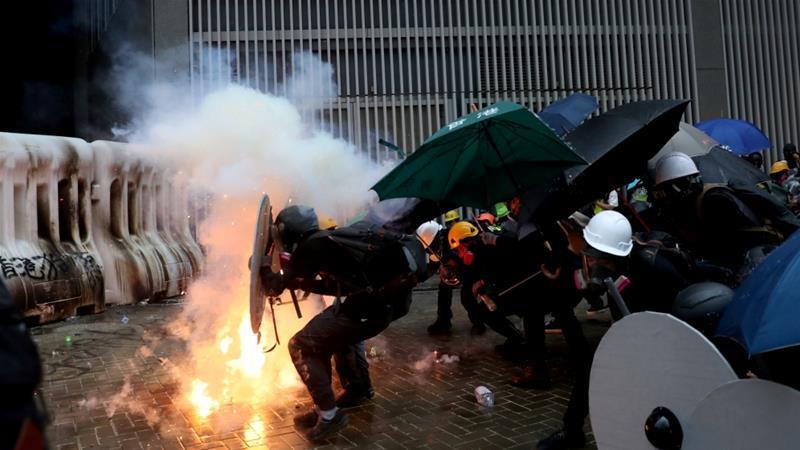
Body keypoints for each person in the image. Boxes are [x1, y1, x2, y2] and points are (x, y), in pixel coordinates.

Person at [261, 205, 433, 441]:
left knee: (301, 345)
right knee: (336, 336)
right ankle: (357, 389)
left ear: (288, 231)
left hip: (368, 308)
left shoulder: (310, 246)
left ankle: (330, 415)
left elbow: (273, 287)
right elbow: (336, 285)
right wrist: (303, 283)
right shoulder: (330, 239)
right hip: (384, 306)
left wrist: (259, 266)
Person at [651, 152, 800, 271]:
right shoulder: (700, 197)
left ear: (677, 185)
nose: (666, 196)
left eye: (667, 190)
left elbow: (723, 241)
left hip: (756, 256)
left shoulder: (714, 199)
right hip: (746, 254)